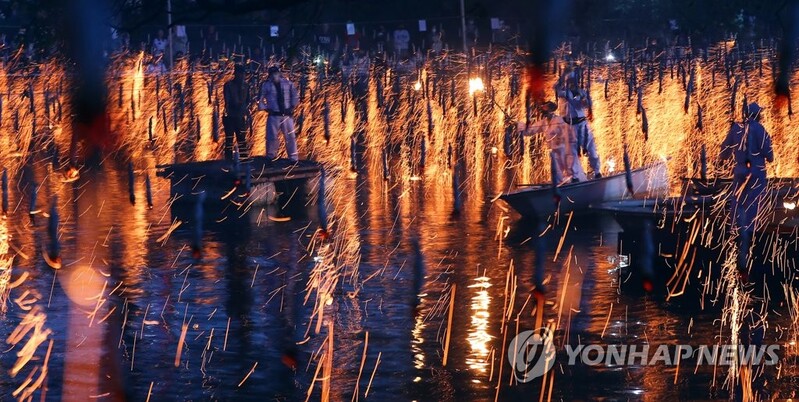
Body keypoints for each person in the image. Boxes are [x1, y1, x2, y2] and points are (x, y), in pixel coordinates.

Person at [720, 102, 774, 274]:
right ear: (757, 115)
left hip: (740, 171)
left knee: (737, 201)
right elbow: (770, 155)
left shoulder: (736, 128)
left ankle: (735, 230)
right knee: (753, 203)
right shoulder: (760, 130)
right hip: (756, 173)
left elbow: (724, 152)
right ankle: (750, 234)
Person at [519, 101, 586, 184]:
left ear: (550, 110)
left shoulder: (560, 120)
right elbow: (531, 130)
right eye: (543, 109)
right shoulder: (544, 123)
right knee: (557, 172)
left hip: (564, 148)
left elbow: (570, 132)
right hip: (554, 150)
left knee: (571, 168)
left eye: (546, 109)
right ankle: (558, 187)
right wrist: (520, 126)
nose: (544, 112)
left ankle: (578, 182)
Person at [556, 73, 601, 180]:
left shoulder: (582, 92)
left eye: (573, 80)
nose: (572, 83)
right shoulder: (564, 93)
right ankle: (575, 176)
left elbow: (587, 104)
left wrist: (584, 98)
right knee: (572, 154)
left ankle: (597, 171)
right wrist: (562, 75)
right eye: (570, 81)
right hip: (570, 127)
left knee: (592, 149)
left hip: (582, 125)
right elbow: (557, 89)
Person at [259, 65, 299, 161]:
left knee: (290, 137)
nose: (274, 76)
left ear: (279, 73)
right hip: (274, 115)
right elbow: (260, 99)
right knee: (271, 137)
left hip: (286, 114)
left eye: (276, 73)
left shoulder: (287, 83)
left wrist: (292, 107)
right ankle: (270, 156)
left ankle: (293, 158)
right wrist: (266, 109)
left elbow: (294, 95)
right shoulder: (266, 85)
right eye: (272, 74)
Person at [223, 64, 250, 161]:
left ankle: (244, 159)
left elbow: (248, 100)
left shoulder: (246, 86)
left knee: (241, 138)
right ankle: (228, 161)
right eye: (240, 74)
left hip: (240, 116)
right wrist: (236, 105)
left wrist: (244, 109)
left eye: (243, 74)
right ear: (236, 74)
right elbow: (227, 100)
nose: (242, 76)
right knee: (229, 139)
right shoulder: (228, 85)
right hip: (230, 115)